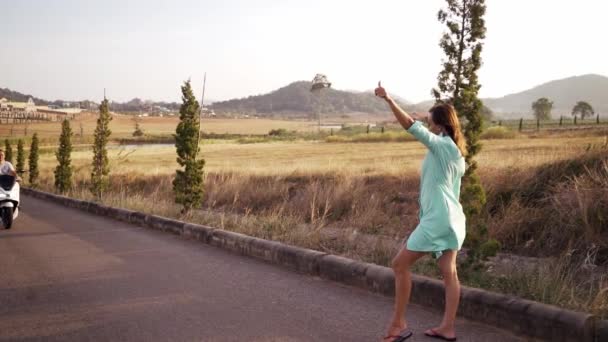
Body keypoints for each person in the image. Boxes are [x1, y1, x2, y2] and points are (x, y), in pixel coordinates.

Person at [375, 82, 467, 342]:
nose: (428, 125)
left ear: (439, 124)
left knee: (399, 265)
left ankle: (398, 325)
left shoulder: (441, 146)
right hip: (453, 219)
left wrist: (389, 99)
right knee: (450, 273)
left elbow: (410, 127)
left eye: (430, 121)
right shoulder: (457, 152)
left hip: (437, 219)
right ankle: (447, 327)